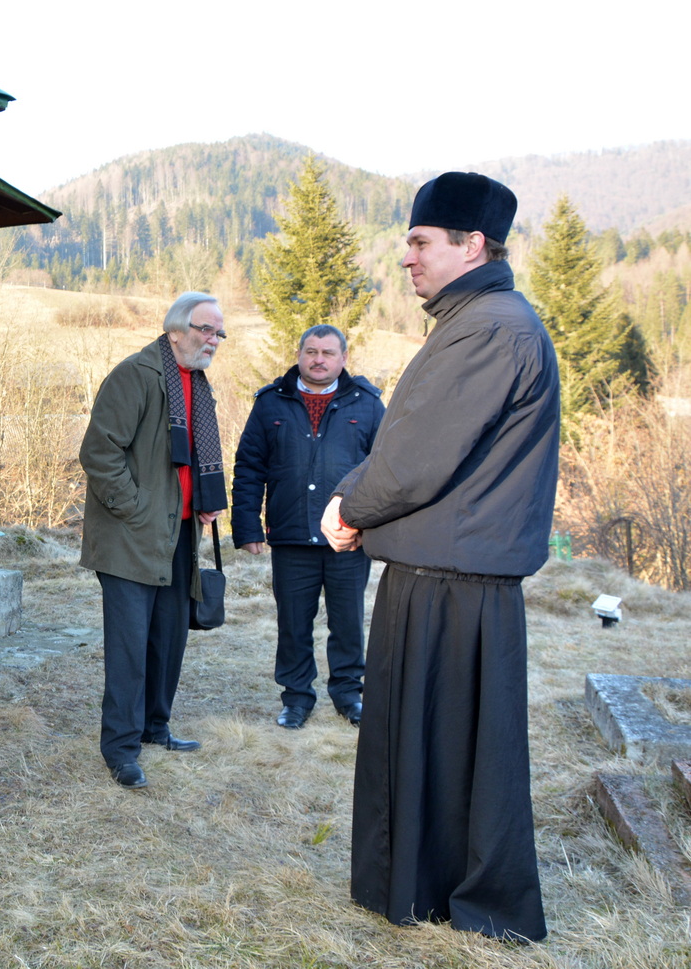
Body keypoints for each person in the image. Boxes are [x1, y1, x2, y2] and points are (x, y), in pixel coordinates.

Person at [321, 172, 558, 942]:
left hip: (456, 583)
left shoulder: (491, 326)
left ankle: (470, 902)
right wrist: (356, 499)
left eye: (421, 242)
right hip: (446, 575)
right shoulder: (477, 318)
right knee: (437, 748)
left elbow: (417, 455)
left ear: (473, 244)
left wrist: (349, 508)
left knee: (454, 753)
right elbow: (409, 437)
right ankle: (424, 890)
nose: (408, 259)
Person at [79, 291, 226, 789]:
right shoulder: (135, 376)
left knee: (169, 637)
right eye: (206, 330)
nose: (214, 340)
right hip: (131, 536)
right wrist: (136, 509)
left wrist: (204, 498)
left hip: (179, 532)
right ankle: (120, 749)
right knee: (129, 646)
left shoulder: (197, 384)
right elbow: (100, 453)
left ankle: (155, 727)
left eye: (218, 332)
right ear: (175, 331)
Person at [232, 325, 384, 730]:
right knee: (293, 623)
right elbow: (249, 467)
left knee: (347, 620)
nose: (319, 359)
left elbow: (384, 471)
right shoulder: (271, 403)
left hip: (348, 538)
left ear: (343, 358)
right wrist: (246, 527)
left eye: (328, 353)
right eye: (312, 351)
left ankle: (349, 694)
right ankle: (296, 699)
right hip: (290, 534)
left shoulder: (368, 405)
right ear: (299, 354)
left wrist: (373, 528)